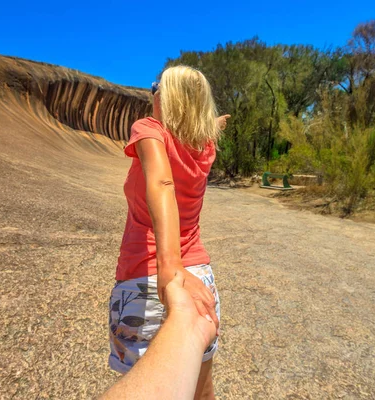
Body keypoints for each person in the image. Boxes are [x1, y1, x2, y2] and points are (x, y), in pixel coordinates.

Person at [107, 65, 230, 399]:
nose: (152, 93)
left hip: (148, 275)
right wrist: (215, 124)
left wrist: (170, 267)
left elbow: (162, 182)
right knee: (202, 391)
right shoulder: (205, 148)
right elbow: (199, 133)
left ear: (167, 96)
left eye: (155, 87)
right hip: (201, 278)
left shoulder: (148, 130)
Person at [101, 271, 218, 399]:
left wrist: (170, 263)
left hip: (142, 286)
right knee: (203, 393)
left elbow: (166, 261)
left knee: (139, 379)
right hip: (199, 280)